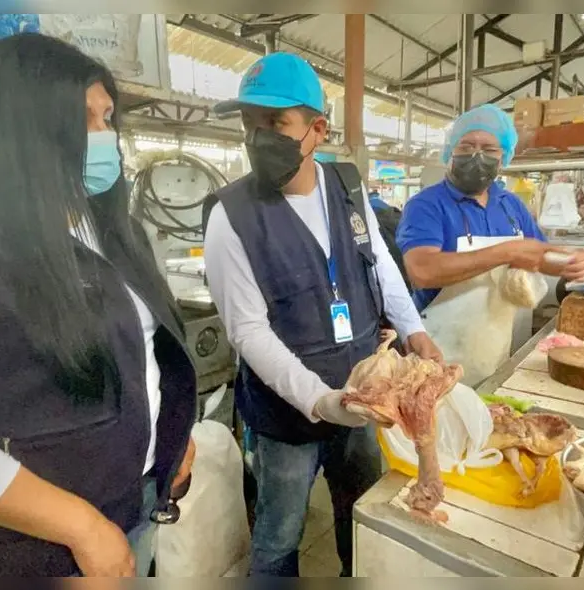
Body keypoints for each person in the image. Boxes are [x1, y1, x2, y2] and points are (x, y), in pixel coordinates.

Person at [0, 34, 197, 577]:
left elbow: (143, 351)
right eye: (85, 119)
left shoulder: (110, 225)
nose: (106, 136)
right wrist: (83, 528)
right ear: (30, 128)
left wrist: (175, 437)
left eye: (109, 117)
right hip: (39, 547)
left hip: (133, 505)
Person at [203, 52, 440, 577]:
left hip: (365, 398)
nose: (259, 136)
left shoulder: (347, 187)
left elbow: (379, 265)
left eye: (276, 122)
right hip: (286, 415)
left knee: (360, 516)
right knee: (279, 533)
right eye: (250, 123)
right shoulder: (230, 216)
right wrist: (320, 401)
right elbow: (247, 330)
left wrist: (415, 330)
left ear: (317, 129)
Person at [396, 104, 584, 383]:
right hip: (436, 351)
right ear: (450, 151)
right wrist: (507, 252)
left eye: (489, 149)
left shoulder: (510, 205)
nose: (477, 156)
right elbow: (423, 271)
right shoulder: (427, 205)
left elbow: (539, 255)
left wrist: (570, 261)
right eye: (466, 146)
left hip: (492, 348)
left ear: (504, 156)